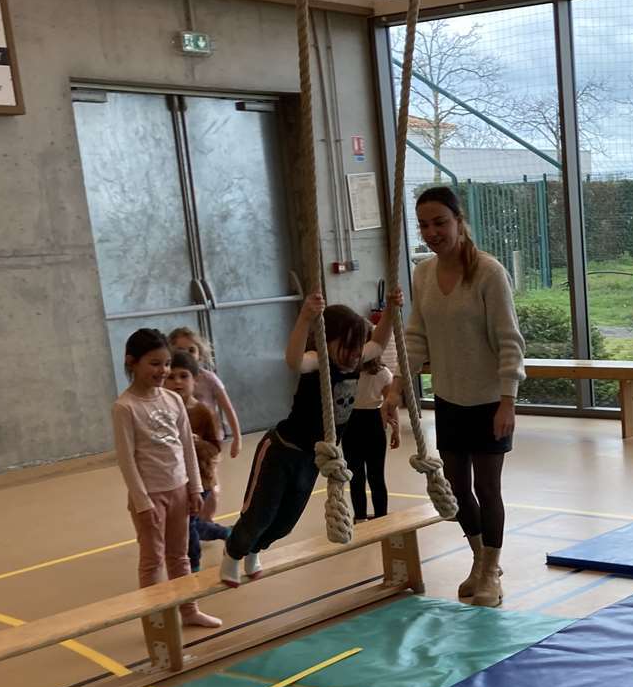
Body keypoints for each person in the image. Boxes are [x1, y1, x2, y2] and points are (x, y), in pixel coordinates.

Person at [404, 185, 526, 607]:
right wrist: (397, 383)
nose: (432, 232)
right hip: (449, 399)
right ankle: (478, 559)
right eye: (424, 225)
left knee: (488, 488)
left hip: (489, 401)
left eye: (440, 222)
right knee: (456, 487)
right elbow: (416, 336)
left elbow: (509, 340)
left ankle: (492, 570)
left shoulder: (488, 273)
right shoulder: (422, 274)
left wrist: (508, 400)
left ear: (459, 221)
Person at [219, 294, 385, 587]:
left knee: (285, 524)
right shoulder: (319, 362)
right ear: (326, 342)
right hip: (281, 451)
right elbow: (293, 360)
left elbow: (380, 343)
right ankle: (233, 551)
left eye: (358, 346)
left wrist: (392, 310)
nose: (354, 353)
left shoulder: (357, 361)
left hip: (311, 459)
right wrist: (305, 318)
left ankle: (255, 549)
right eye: (346, 345)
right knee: (260, 515)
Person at [112, 329, 220, 629]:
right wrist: (142, 502)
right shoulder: (125, 407)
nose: (163, 371)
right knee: (152, 560)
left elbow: (187, 447)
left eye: (167, 364)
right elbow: (127, 460)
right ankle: (156, 621)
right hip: (150, 496)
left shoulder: (173, 400)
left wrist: (195, 488)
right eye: (154, 364)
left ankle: (189, 610)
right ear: (131, 362)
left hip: (180, 490)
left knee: (180, 556)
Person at [164, 351, 232, 571]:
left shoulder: (202, 412)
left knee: (188, 524)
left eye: (183, 376)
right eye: (171, 377)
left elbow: (215, 448)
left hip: (200, 479)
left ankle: (193, 564)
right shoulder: (162, 412)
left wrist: (196, 443)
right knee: (186, 523)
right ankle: (226, 532)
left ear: (194, 380)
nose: (177, 382)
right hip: (173, 479)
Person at [341, 283, 404, 521]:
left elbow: (390, 402)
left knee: (357, 476)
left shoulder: (350, 372)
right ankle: (380, 517)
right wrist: (396, 430)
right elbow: (391, 404)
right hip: (372, 424)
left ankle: (361, 517)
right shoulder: (382, 373)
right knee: (376, 476)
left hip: (354, 424)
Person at [167, 327, 243, 460]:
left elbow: (228, 408)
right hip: (181, 437)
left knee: (208, 467)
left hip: (209, 435)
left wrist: (237, 438)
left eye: (191, 350)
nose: (187, 355)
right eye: (180, 350)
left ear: (200, 354)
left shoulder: (209, 378)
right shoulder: (169, 379)